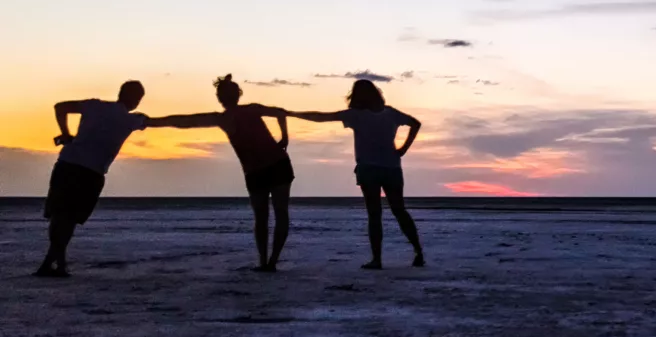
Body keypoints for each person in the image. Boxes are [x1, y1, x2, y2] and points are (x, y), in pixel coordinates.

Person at [146, 75, 293, 271]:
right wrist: (152, 122)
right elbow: (186, 121)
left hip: (274, 165)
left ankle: (269, 261)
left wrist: (284, 138)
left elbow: (280, 113)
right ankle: (267, 261)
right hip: (258, 170)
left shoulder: (243, 112)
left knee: (271, 214)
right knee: (267, 215)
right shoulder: (230, 116)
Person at [286, 79, 424, 269]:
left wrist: (292, 114)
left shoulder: (357, 115)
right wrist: (403, 149)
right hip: (390, 167)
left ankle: (379, 259)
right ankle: (417, 252)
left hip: (370, 168)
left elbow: (322, 117)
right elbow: (415, 124)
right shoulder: (389, 113)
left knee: (376, 214)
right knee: (398, 211)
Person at [36, 80, 148, 278]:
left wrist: (66, 133)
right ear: (135, 99)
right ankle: (52, 263)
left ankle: (57, 263)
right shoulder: (131, 120)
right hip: (90, 172)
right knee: (67, 218)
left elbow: (60, 107)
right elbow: (162, 122)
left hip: (68, 163)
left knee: (59, 215)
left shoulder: (95, 106)